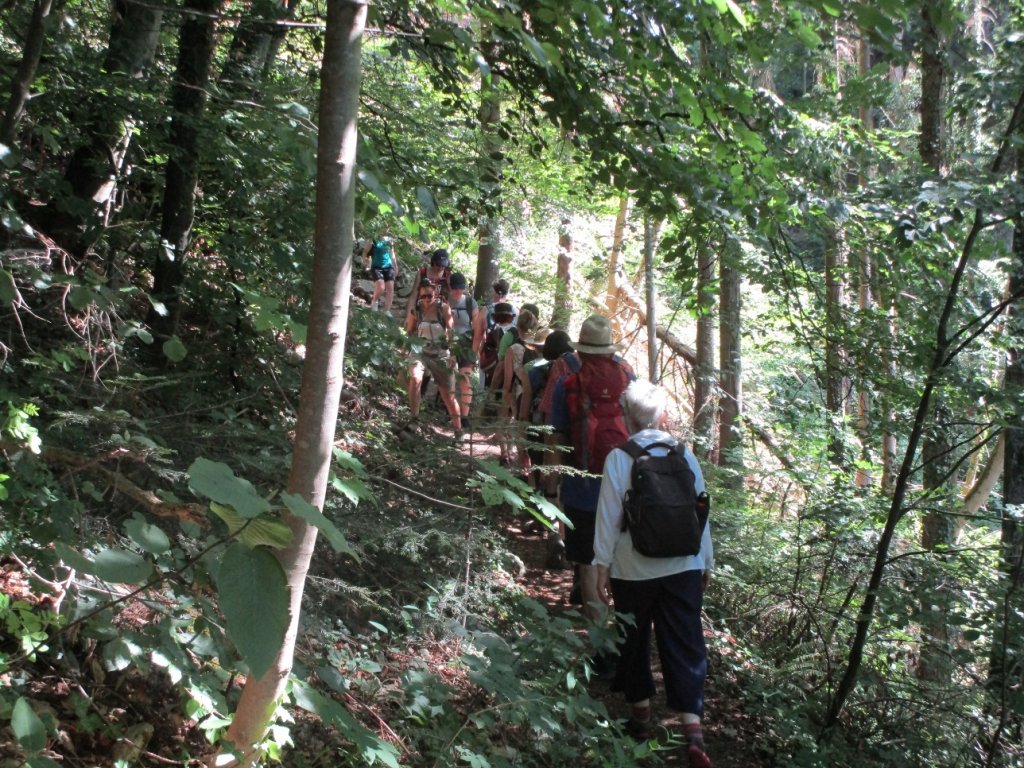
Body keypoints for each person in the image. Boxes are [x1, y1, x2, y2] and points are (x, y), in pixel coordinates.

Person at [593, 380, 713, 767]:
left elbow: (609, 517)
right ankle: (692, 731)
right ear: (662, 416)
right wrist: (705, 561)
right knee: (686, 641)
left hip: (634, 567)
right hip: (684, 565)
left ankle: (641, 720)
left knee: (634, 639)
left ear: (627, 417)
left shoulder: (619, 457)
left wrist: (601, 565)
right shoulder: (685, 455)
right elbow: (701, 513)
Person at [548, 314, 636, 615]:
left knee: (586, 564)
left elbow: (557, 439)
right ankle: (622, 639)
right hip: (625, 488)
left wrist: (550, 488)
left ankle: (598, 642)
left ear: (580, 350)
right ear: (610, 349)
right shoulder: (628, 378)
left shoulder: (568, 384)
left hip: (582, 489)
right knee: (617, 563)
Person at [405, 282, 462, 431]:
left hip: (441, 355)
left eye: (429, 295)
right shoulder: (416, 309)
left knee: (448, 396)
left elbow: (452, 332)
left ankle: (458, 429)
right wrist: (405, 348)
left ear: (435, 293)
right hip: (421, 352)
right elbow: (410, 331)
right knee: (415, 378)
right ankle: (414, 418)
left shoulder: (443, 308)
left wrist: (453, 355)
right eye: (422, 296)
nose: (426, 299)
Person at [447, 272, 480, 430]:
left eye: (461, 289)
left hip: (466, 345)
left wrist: (475, 350)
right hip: (447, 344)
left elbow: (478, 327)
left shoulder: (469, 302)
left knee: (465, 382)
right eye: (455, 289)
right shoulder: (445, 300)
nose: (458, 292)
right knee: (450, 381)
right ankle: (453, 414)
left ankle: (465, 417)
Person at [406, 249, 452, 315]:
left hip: (441, 311)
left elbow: (454, 296)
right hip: (422, 309)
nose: (440, 268)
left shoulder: (448, 275)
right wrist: (408, 315)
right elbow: (414, 295)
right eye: (438, 265)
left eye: (443, 266)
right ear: (433, 262)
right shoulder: (422, 273)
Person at [361, 235, 400, 314]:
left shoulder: (389, 240)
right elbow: (365, 251)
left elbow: (392, 254)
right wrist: (365, 262)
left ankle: (386, 310)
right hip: (376, 267)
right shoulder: (373, 239)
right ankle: (374, 302)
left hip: (388, 267)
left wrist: (395, 266)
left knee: (390, 289)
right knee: (381, 287)